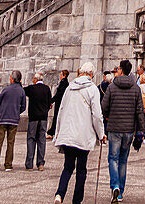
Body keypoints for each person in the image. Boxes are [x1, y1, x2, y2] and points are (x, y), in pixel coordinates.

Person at [53, 62, 105, 204]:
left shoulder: (70, 87)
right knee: (81, 169)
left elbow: (61, 111)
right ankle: (77, 201)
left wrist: (58, 132)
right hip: (83, 136)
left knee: (68, 167)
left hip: (69, 134)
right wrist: (101, 134)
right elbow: (97, 115)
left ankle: (59, 194)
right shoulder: (92, 89)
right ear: (91, 74)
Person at [101, 58, 144, 204]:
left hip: (114, 128)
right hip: (128, 130)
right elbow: (140, 111)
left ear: (121, 70)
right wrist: (141, 130)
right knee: (123, 160)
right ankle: (120, 193)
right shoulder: (136, 88)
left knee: (113, 158)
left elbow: (103, 107)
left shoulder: (112, 87)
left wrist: (108, 117)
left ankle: (115, 186)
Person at [0, 70, 26, 171]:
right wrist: (16, 111)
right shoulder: (21, 91)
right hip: (13, 119)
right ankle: (8, 164)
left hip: (2, 118)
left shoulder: (6, 89)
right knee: (11, 143)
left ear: (13, 79)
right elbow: (23, 107)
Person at [23, 70, 51, 170]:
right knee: (41, 140)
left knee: (31, 139)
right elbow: (49, 103)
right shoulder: (47, 89)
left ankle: (29, 164)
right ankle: (40, 163)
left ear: (35, 79)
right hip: (43, 118)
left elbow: (23, 90)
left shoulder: (32, 88)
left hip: (33, 118)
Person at [48, 69, 70, 139]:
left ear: (64, 75)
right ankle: (52, 131)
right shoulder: (63, 82)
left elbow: (59, 94)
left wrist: (52, 100)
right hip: (59, 101)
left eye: (61, 75)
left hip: (59, 102)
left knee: (57, 116)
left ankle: (52, 132)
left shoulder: (64, 83)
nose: (60, 76)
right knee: (56, 116)